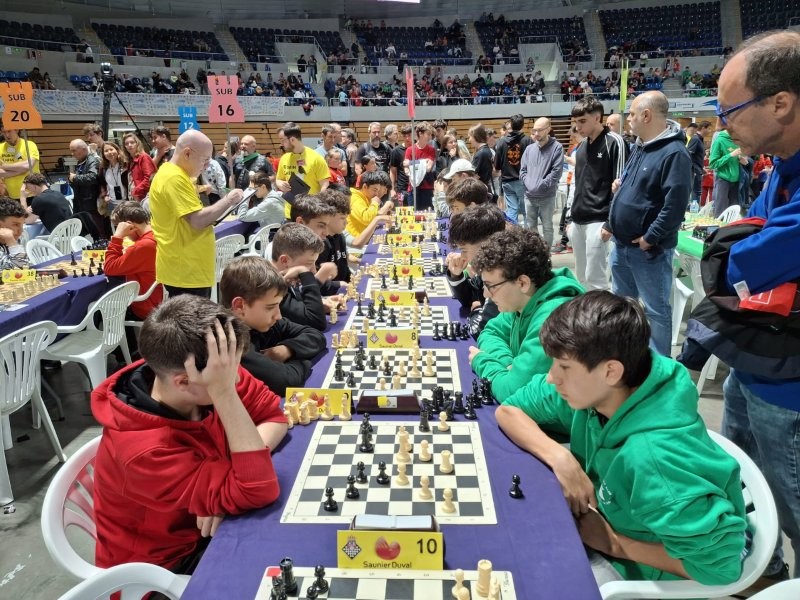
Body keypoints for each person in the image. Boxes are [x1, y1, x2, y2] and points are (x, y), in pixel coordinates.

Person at [496, 291, 747, 586]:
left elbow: (721, 568)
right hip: (602, 521)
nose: (551, 377)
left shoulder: (655, 462)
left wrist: (614, 544)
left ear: (611, 371)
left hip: (638, 573)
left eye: (563, 367)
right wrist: (562, 460)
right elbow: (508, 410)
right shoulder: (599, 391)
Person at [91, 295, 288, 571]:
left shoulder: (208, 371)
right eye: (229, 377)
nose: (237, 378)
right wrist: (224, 393)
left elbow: (274, 416)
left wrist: (224, 487)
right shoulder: (144, 450)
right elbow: (258, 489)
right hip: (163, 564)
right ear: (184, 382)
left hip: (209, 531)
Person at [715, 29, 800, 583]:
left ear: (781, 103)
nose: (724, 126)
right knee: (742, 495)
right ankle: (763, 577)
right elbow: (744, 240)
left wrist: (737, 249)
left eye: (730, 111)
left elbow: (736, 262)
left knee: (793, 514)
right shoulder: (783, 165)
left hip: (790, 388)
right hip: (751, 363)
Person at [601, 91, 691, 356]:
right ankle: (627, 356)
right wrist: (617, 202)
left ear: (647, 115)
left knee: (655, 310)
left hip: (648, 251)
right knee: (623, 306)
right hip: (622, 245)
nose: (628, 119)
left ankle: (659, 367)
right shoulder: (640, 146)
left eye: (631, 114)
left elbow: (675, 206)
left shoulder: (674, 154)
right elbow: (632, 187)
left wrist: (651, 237)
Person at [467, 227, 583, 402]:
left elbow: (513, 392)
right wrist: (507, 364)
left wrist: (482, 362)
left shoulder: (554, 320)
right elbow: (491, 331)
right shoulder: (523, 300)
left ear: (522, 283)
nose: (485, 294)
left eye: (491, 286)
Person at [150, 130, 244, 298]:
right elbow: (197, 220)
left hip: (188, 268)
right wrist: (229, 199)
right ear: (187, 153)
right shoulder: (174, 178)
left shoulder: (176, 174)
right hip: (186, 271)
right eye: (204, 160)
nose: (206, 165)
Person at [220, 256, 326, 397]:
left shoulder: (266, 323)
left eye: (278, 305)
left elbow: (316, 335)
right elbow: (286, 380)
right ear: (239, 306)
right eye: (270, 307)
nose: (278, 316)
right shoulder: (231, 342)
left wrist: (288, 349)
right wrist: (303, 360)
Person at [569, 97, 627, 291]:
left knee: (596, 280)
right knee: (581, 278)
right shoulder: (582, 146)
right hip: (578, 220)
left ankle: (601, 312)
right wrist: (570, 217)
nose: (577, 127)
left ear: (597, 118)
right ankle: (584, 311)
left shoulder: (615, 142)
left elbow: (621, 186)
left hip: (599, 220)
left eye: (582, 121)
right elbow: (578, 184)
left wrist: (610, 222)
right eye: (575, 122)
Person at [447, 204, 507, 337]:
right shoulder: (488, 266)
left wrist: (476, 310)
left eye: (464, 250)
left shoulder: (501, 274)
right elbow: (469, 298)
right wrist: (456, 275)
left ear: (486, 245)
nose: (462, 256)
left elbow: (479, 330)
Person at [104, 201, 162, 322]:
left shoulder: (143, 246)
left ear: (129, 225)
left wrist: (117, 237)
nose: (126, 236)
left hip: (148, 307)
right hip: (162, 299)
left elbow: (109, 267)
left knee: (104, 312)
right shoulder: (159, 232)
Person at [269, 222, 327, 331]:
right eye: (309, 263)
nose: (314, 271)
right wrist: (304, 271)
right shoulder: (271, 286)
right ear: (284, 260)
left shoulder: (287, 277)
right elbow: (317, 323)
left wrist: (321, 304)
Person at [519, 118, 565, 247]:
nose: (536, 133)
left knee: (547, 227)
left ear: (548, 129)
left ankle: (547, 254)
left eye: (539, 130)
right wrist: (529, 184)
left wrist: (540, 185)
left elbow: (556, 172)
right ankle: (535, 254)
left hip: (547, 196)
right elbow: (523, 171)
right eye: (534, 130)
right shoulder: (529, 149)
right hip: (529, 196)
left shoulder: (557, 147)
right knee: (530, 228)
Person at [275, 122, 330, 209]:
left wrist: (317, 205)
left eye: (282, 140)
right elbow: (278, 179)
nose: (281, 144)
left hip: (310, 210)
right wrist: (280, 184)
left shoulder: (316, 158)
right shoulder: (284, 158)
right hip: (290, 210)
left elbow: (325, 185)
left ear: (292, 140)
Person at [494, 114, 531, 224]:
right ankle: (527, 234)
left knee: (512, 210)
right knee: (526, 211)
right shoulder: (527, 141)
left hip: (507, 181)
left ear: (510, 124)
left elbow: (497, 166)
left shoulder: (501, 142)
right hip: (523, 180)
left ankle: (512, 233)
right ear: (522, 125)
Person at [346, 170, 393, 250]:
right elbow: (367, 219)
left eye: (378, 190)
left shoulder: (367, 197)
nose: (376, 193)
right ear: (365, 186)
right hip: (356, 245)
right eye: (374, 190)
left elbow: (374, 215)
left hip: (364, 241)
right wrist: (374, 203)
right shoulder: (355, 198)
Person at [68, 139, 105, 237]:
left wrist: (75, 178)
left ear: (84, 149)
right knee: (94, 232)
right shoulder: (81, 161)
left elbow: (92, 177)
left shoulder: (92, 160)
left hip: (92, 204)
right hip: (85, 203)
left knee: (99, 231)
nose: (72, 154)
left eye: (74, 150)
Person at [709, 125, 744, 218]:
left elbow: (740, 159)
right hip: (723, 179)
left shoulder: (737, 140)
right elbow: (713, 164)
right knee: (720, 212)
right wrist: (731, 155)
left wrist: (743, 160)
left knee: (733, 213)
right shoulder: (719, 140)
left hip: (737, 180)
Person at [403, 122, 437, 210]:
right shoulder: (410, 150)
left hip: (427, 187)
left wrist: (411, 163)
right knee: (413, 214)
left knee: (427, 214)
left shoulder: (431, 150)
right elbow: (406, 170)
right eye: (428, 134)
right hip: (413, 188)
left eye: (430, 134)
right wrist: (423, 162)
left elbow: (428, 168)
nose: (430, 137)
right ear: (420, 134)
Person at [0, 127, 40, 200]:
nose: (6, 135)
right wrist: (21, 170)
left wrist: (4, 166)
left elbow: (28, 165)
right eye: (3, 132)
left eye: (9, 131)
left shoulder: (29, 145)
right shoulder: (0, 147)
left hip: (32, 193)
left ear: (16, 130)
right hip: (12, 195)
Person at [121, 133, 157, 203]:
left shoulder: (144, 157)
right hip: (134, 198)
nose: (129, 145)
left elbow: (149, 178)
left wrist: (136, 191)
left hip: (144, 197)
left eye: (132, 142)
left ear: (137, 144)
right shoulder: (130, 160)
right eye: (126, 144)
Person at [99, 141, 129, 216]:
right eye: (106, 151)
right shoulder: (103, 168)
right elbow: (102, 183)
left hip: (127, 203)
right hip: (111, 204)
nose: (109, 152)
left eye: (111, 149)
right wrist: (104, 195)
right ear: (103, 154)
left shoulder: (126, 165)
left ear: (117, 150)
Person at [686, 121, 712, 203]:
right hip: (694, 170)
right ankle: (694, 209)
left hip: (698, 169)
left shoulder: (699, 139)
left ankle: (694, 208)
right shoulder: (695, 139)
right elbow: (688, 154)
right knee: (696, 191)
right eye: (709, 128)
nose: (710, 131)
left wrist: (702, 169)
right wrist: (694, 169)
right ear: (703, 128)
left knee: (697, 191)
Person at [0, 197, 29, 269]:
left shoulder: (13, 238)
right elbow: (20, 268)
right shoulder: (10, 239)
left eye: (22, 225)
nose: (21, 230)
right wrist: (11, 241)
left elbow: (25, 265)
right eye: (15, 224)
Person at [467, 123, 495, 197]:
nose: (469, 140)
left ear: (475, 136)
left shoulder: (481, 153)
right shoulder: (485, 150)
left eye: (470, 137)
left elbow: (473, 174)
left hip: (479, 190)